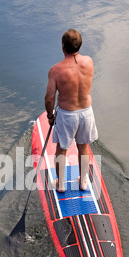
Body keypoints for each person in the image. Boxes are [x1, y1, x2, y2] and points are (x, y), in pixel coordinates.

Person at [45, 28, 98, 192]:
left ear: (63, 46)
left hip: (67, 115)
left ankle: (60, 185)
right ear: (79, 45)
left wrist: (50, 115)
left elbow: (49, 98)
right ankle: (83, 182)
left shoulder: (56, 70)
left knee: (62, 149)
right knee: (83, 147)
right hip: (86, 112)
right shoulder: (89, 61)